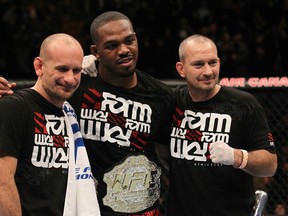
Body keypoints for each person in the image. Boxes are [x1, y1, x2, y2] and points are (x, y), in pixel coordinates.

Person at [67, 11, 174, 216]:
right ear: (95, 51)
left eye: (129, 41)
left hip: (142, 209)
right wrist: (73, 65)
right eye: (111, 45)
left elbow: (169, 157)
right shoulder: (76, 86)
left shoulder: (161, 95)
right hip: (86, 207)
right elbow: (34, 97)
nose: (124, 50)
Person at [166, 34, 277, 216]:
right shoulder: (172, 102)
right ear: (181, 69)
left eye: (213, 63)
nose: (208, 71)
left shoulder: (243, 104)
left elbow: (270, 165)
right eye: (199, 64)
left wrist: (237, 157)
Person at [0, 33, 100, 216]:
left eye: (76, 70)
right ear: (39, 67)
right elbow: (2, 182)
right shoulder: (14, 107)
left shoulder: (70, 112)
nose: (70, 79)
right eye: (62, 69)